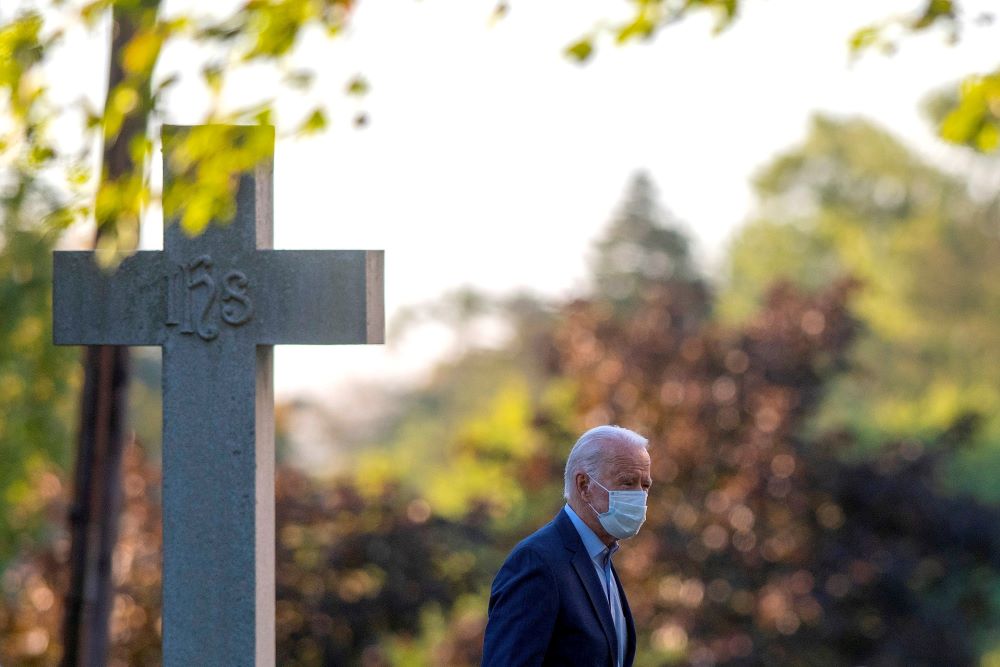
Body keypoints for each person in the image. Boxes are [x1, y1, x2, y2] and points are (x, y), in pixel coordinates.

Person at [482, 425, 652, 666]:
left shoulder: (601, 562)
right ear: (584, 485)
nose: (639, 496)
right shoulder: (537, 562)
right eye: (627, 483)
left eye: (645, 486)